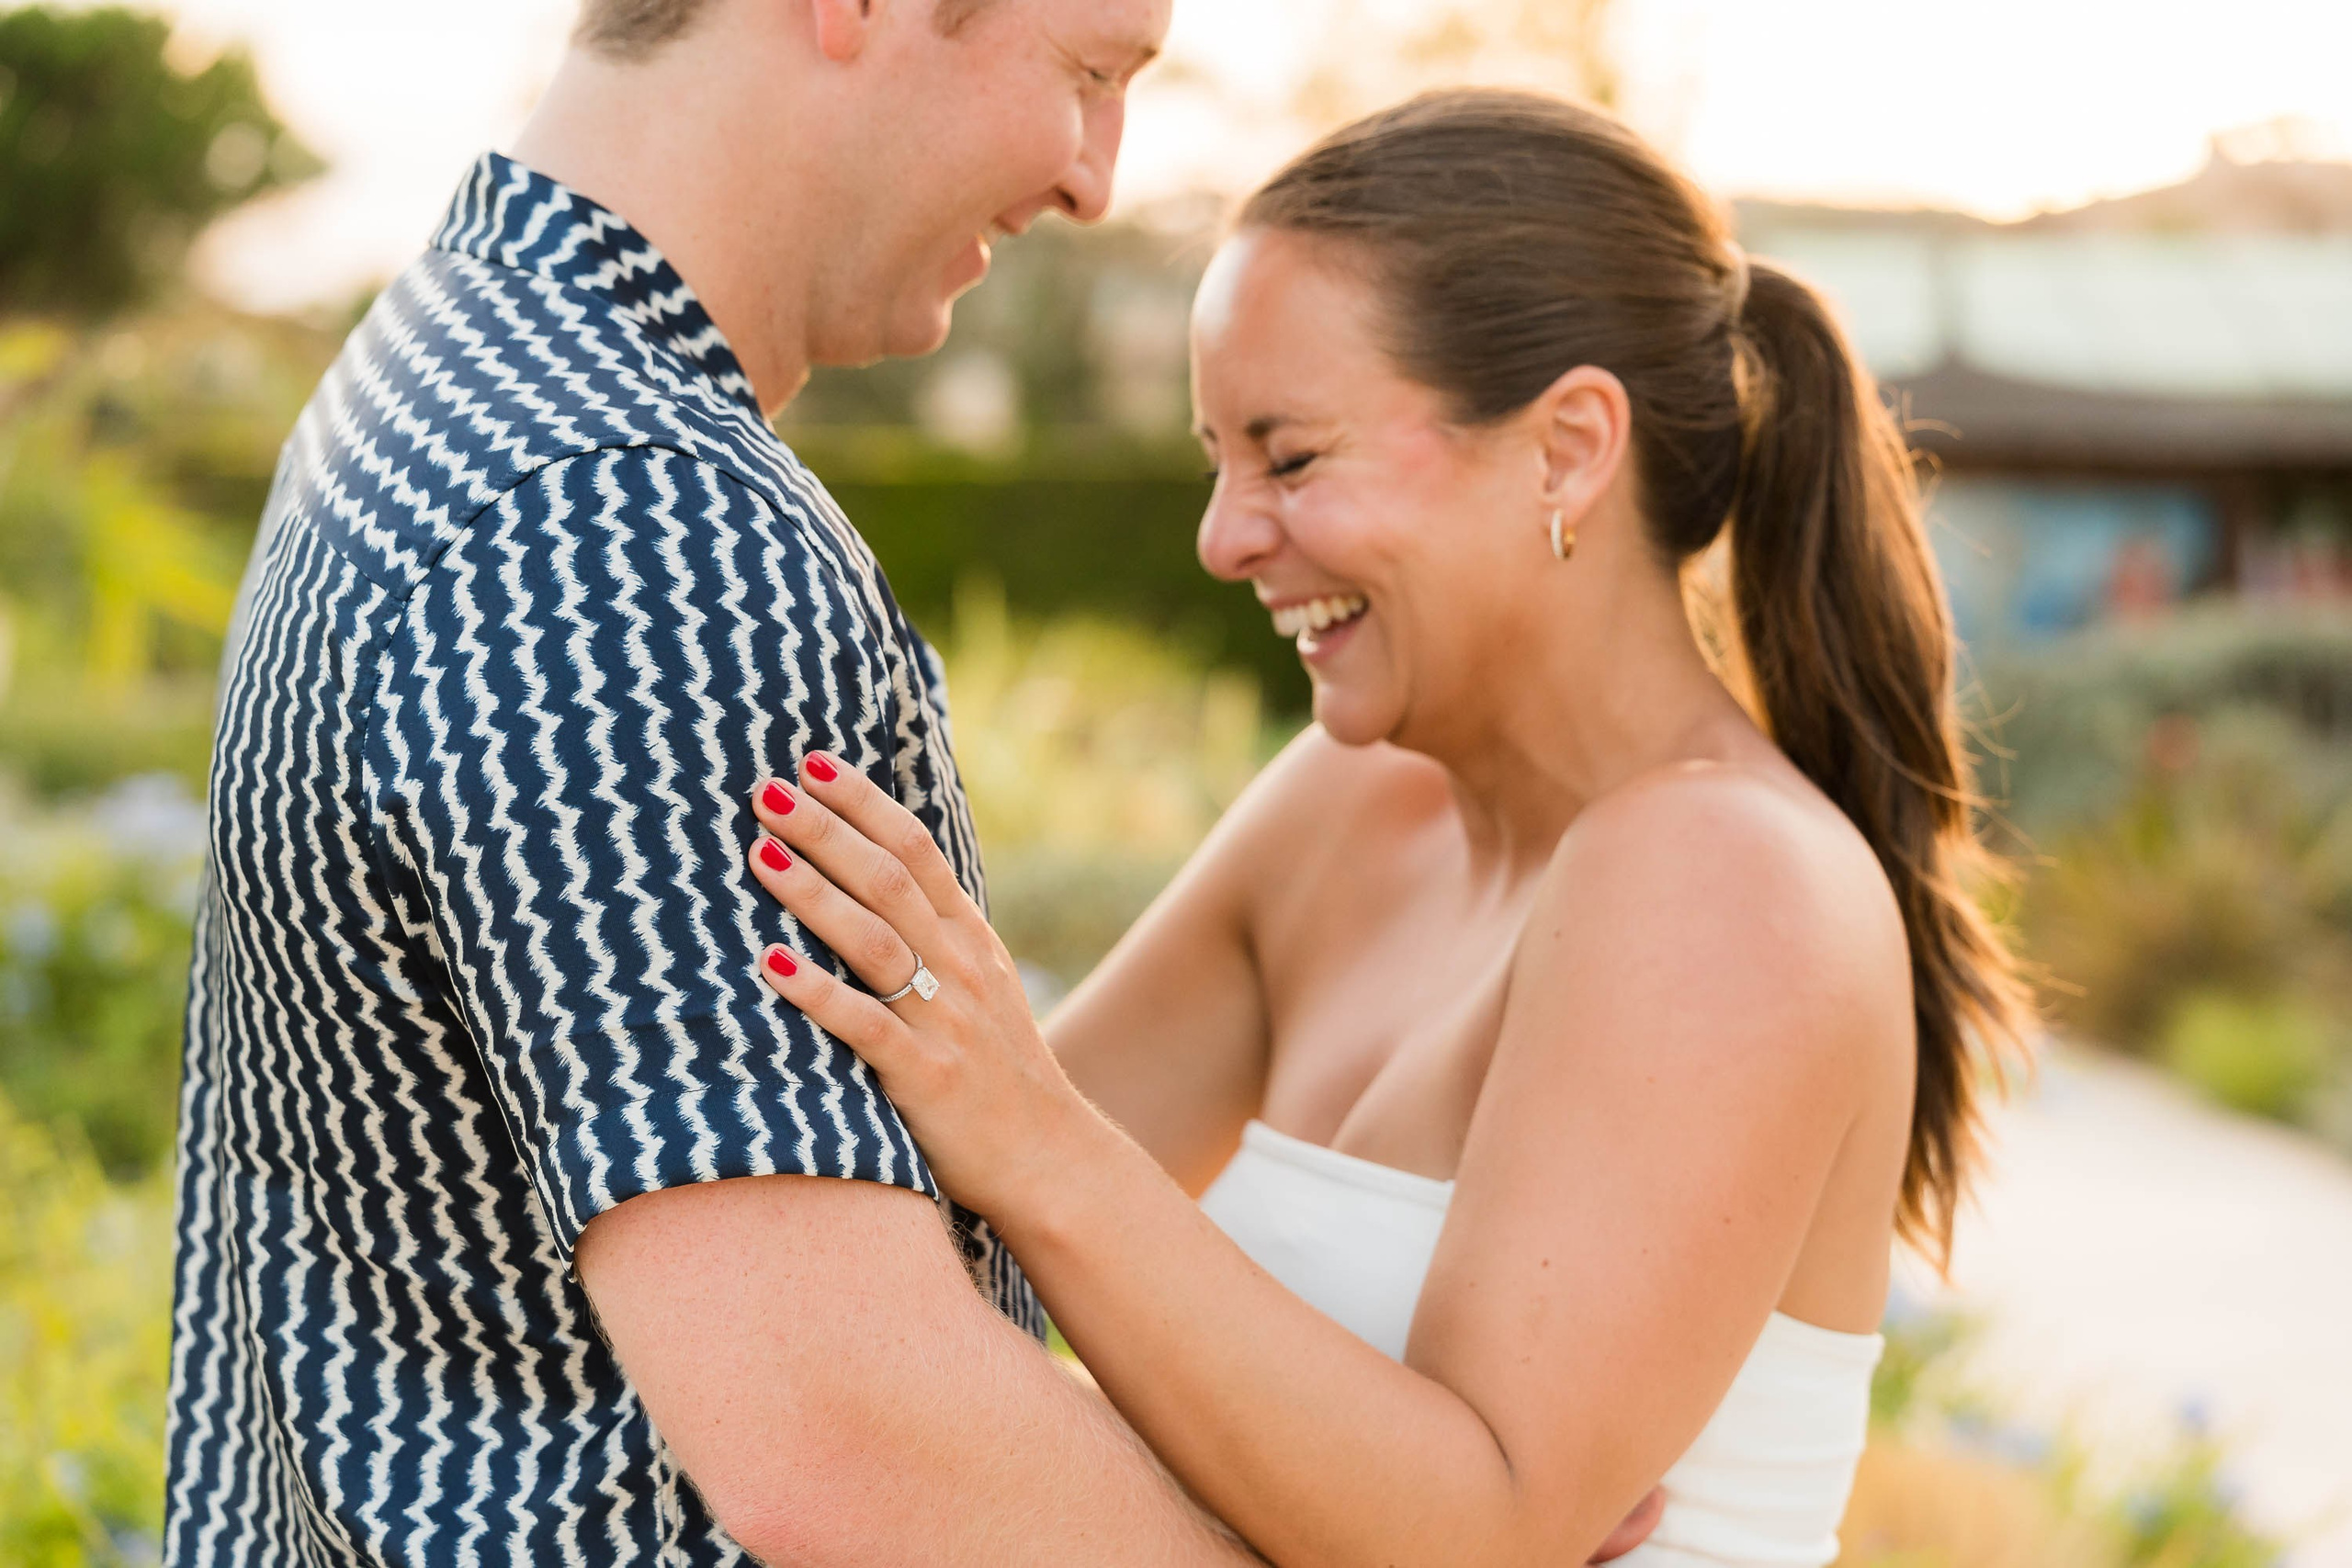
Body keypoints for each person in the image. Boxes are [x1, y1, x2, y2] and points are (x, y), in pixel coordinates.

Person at [735, 87, 2033, 1568]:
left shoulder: (1726, 881)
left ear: (1567, 449)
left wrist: (1039, 1140)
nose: (1222, 538)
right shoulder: (1349, 807)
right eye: (1218, 462)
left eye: (1290, 459)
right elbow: (921, 1273)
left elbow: (1461, 1532)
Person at [164, 1, 1295, 1562]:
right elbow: (853, 1442)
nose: (1095, 180)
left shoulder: (449, 370)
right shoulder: (623, 523)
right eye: (1087, 71)